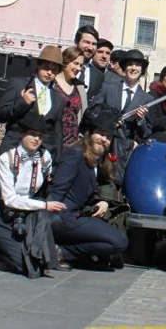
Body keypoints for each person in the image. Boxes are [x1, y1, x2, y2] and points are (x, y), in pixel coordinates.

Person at [0, 115, 66, 277]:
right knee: (23, 265)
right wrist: (45, 205)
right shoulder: (7, 159)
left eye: (40, 136)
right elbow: (10, 199)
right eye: (32, 134)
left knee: (38, 264)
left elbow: (48, 176)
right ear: (22, 135)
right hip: (1, 212)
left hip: (26, 213)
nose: (36, 139)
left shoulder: (44, 157)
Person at [50, 107, 128, 269]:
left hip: (79, 216)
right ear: (89, 134)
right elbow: (57, 191)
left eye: (108, 136)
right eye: (100, 133)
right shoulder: (75, 154)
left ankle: (64, 251)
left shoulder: (99, 161)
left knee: (118, 241)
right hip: (63, 217)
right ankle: (61, 252)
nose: (104, 139)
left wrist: (104, 203)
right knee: (118, 242)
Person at [89, 49, 154, 187]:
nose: (133, 68)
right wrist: (109, 119)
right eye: (130, 64)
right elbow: (92, 111)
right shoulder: (108, 88)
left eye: (137, 65)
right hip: (103, 146)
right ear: (124, 68)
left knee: (118, 188)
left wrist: (141, 120)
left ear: (142, 70)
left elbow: (146, 132)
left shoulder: (147, 98)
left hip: (126, 153)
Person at [0, 45, 66, 162]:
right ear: (38, 66)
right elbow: (0, 114)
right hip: (14, 149)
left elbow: (57, 132)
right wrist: (22, 103)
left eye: (54, 70)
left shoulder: (58, 98)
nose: (49, 72)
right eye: (46, 67)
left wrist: (55, 159)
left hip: (40, 156)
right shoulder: (19, 84)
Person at [53, 46, 88, 147]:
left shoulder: (79, 87)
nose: (78, 68)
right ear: (65, 61)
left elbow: (82, 115)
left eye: (81, 65)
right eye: (75, 63)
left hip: (72, 144)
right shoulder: (52, 83)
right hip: (51, 140)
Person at [75, 25, 104, 97]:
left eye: (94, 44)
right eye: (87, 42)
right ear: (77, 42)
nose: (90, 48)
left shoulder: (99, 76)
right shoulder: (62, 67)